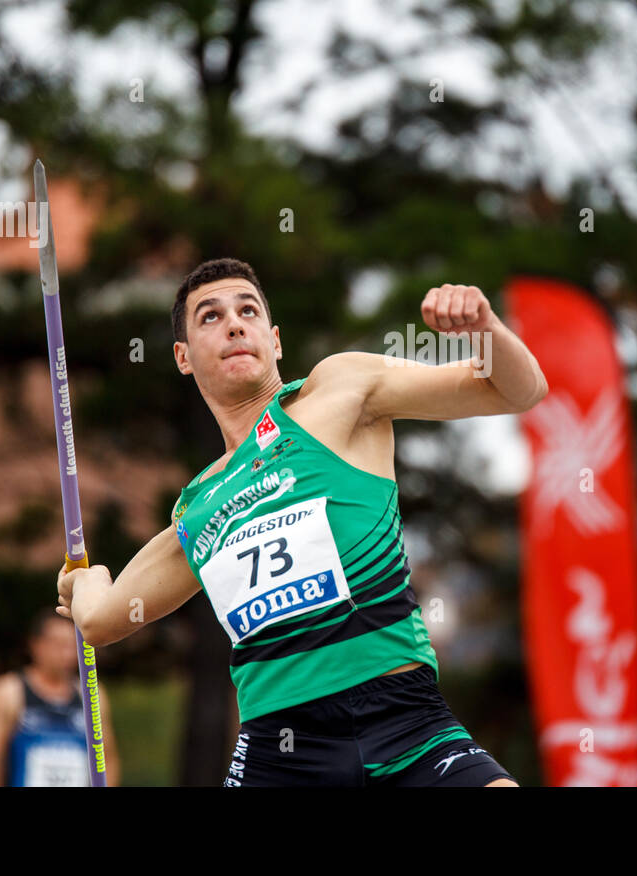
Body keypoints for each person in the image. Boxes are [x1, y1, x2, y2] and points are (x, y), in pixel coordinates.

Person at [57, 258, 547, 786]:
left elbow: (519, 391)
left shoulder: (341, 391)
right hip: (281, 754)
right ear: (183, 357)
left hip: (406, 723)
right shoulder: (196, 509)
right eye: (210, 317)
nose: (234, 324)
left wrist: (486, 332)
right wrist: (87, 580)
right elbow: (102, 620)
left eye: (248, 310)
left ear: (275, 339)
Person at [0, 610, 120, 786]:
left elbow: (107, 756)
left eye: (73, 645)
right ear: (36, 645)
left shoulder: (92, 694)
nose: (67, 654)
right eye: (59, 645)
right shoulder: (8, 691)